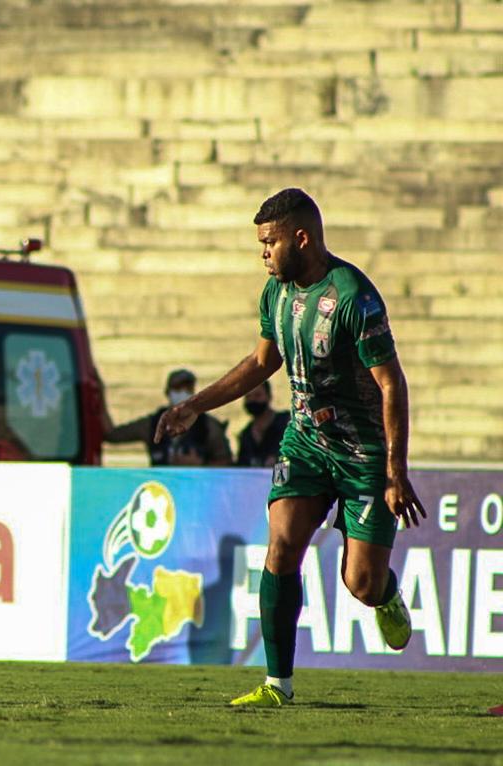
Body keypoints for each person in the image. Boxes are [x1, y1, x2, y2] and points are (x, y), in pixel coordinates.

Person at [157, 188, 425, 707]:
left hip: (363, 454)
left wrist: (396, 472)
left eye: (270, 243)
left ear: (301, 238)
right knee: (281, 546)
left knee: (361, 583)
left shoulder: (353, 297)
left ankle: (384, 593)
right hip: (305, 443)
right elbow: (262, 363)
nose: (263, 253)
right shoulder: (275, 292)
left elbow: (391, 383)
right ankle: (277, 685)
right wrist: (195, 405)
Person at [103, 368, 232, 466]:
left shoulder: (207, 425)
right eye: (178, 388)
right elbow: (113, 435)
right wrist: (99, 399)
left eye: (187, 389)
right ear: (168, 392)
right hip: (163, 488)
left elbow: (227, 463)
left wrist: (200, 465)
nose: (183, 393)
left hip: (198, 486)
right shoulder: (153, 424)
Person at [235, 381, 290, 467]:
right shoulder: (245, 435)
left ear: (269, 396)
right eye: (248, 397)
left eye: (258, 395)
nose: (252, 400)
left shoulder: (287, 423)